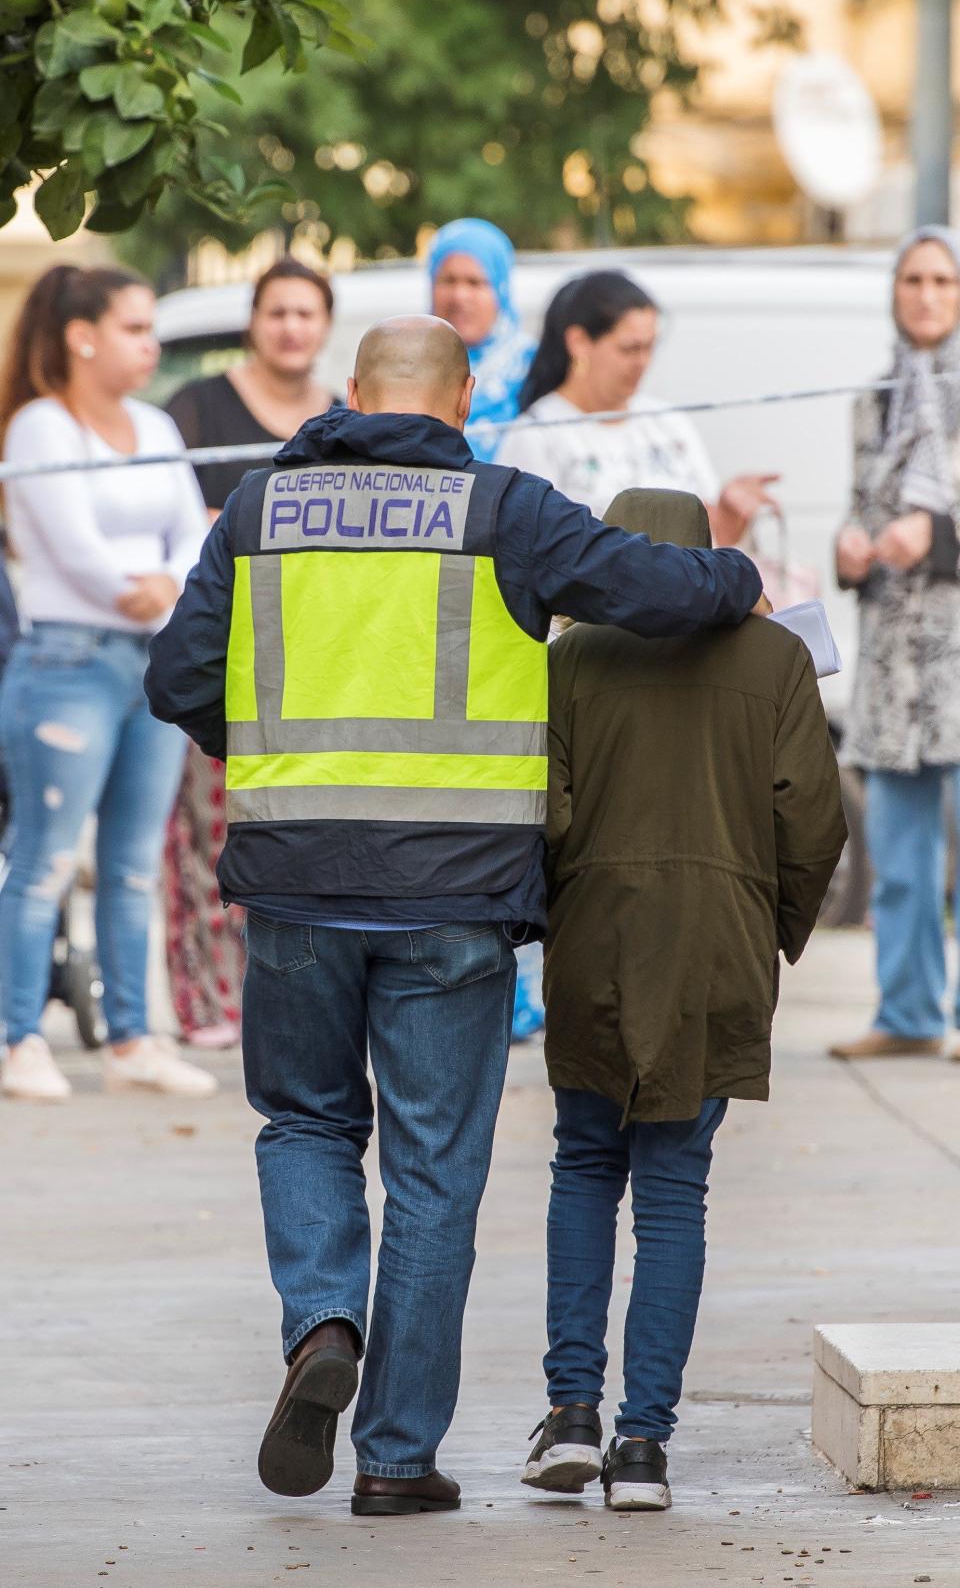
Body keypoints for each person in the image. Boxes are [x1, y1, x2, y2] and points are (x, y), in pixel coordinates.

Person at [145, 315, 764, 1515]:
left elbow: (176, 678)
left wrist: (271, 757)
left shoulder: (260, 510)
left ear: (349, 390)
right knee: (432, 1176)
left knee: (305, 1123)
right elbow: (655, 587)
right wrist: (736, 571)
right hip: (451, 898)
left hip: (292, 885)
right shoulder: (502, 509)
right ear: (465, 397)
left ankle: (324, 1317)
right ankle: (394, 1459)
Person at [521, 487, 845, 1511]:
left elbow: (545, 813)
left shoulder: (568, 660)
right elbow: (816, 824)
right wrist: (772, 930)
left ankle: (571, 1413)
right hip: (719, 947)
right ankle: (644, 1448)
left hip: (598, 940)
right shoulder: (779, 661)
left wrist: (558, 911)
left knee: (583, 1165)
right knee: (673, 1190)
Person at [0, 264, 215, 1103]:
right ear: (82, 336)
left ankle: (132, 1039)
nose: (150, 345)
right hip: (69, 662)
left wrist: (164, 583)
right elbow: (74, 545)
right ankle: (20, 1039)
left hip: (149, 661)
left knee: (131, 864)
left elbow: (193, 529)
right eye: (134, 328)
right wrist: (151, 582)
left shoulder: (157, 424)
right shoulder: (40, 429)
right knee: (45, 860)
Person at [163, 258, 337, 1049]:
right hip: (225, 655)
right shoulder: (197, 406)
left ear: (326, 326)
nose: (291, 327)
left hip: (320, 667)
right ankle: (207, 1003)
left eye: (306, 313)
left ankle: (285, 999)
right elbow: (183, 522)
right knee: (206, 837)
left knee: (292, 839)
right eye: (278, 312)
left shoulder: (340, 418)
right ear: (254, 320)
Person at [833, 225, 960, 1061]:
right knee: (902, 854)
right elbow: (863, 503)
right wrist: (848, 543)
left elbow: (933, 522)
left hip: (956, 652)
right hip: (891, 652)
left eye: (943, 281)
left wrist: (939, 534)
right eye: (912, 279)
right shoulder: (875, 396)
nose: (926, 295)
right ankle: (909, 1015)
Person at [498, 269, 779, 544]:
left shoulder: (667, 422)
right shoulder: (536, 434)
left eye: (650, 347)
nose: (642, 362)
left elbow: (710, 550)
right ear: (579, 342)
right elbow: (530, 553)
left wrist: (728, 514)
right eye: (629, 349)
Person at [428, 217, 535, 460]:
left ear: (501, 288)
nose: (459, 296)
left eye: (475, 282)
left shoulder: (534, 367)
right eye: (448, 280)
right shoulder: (406, 362)